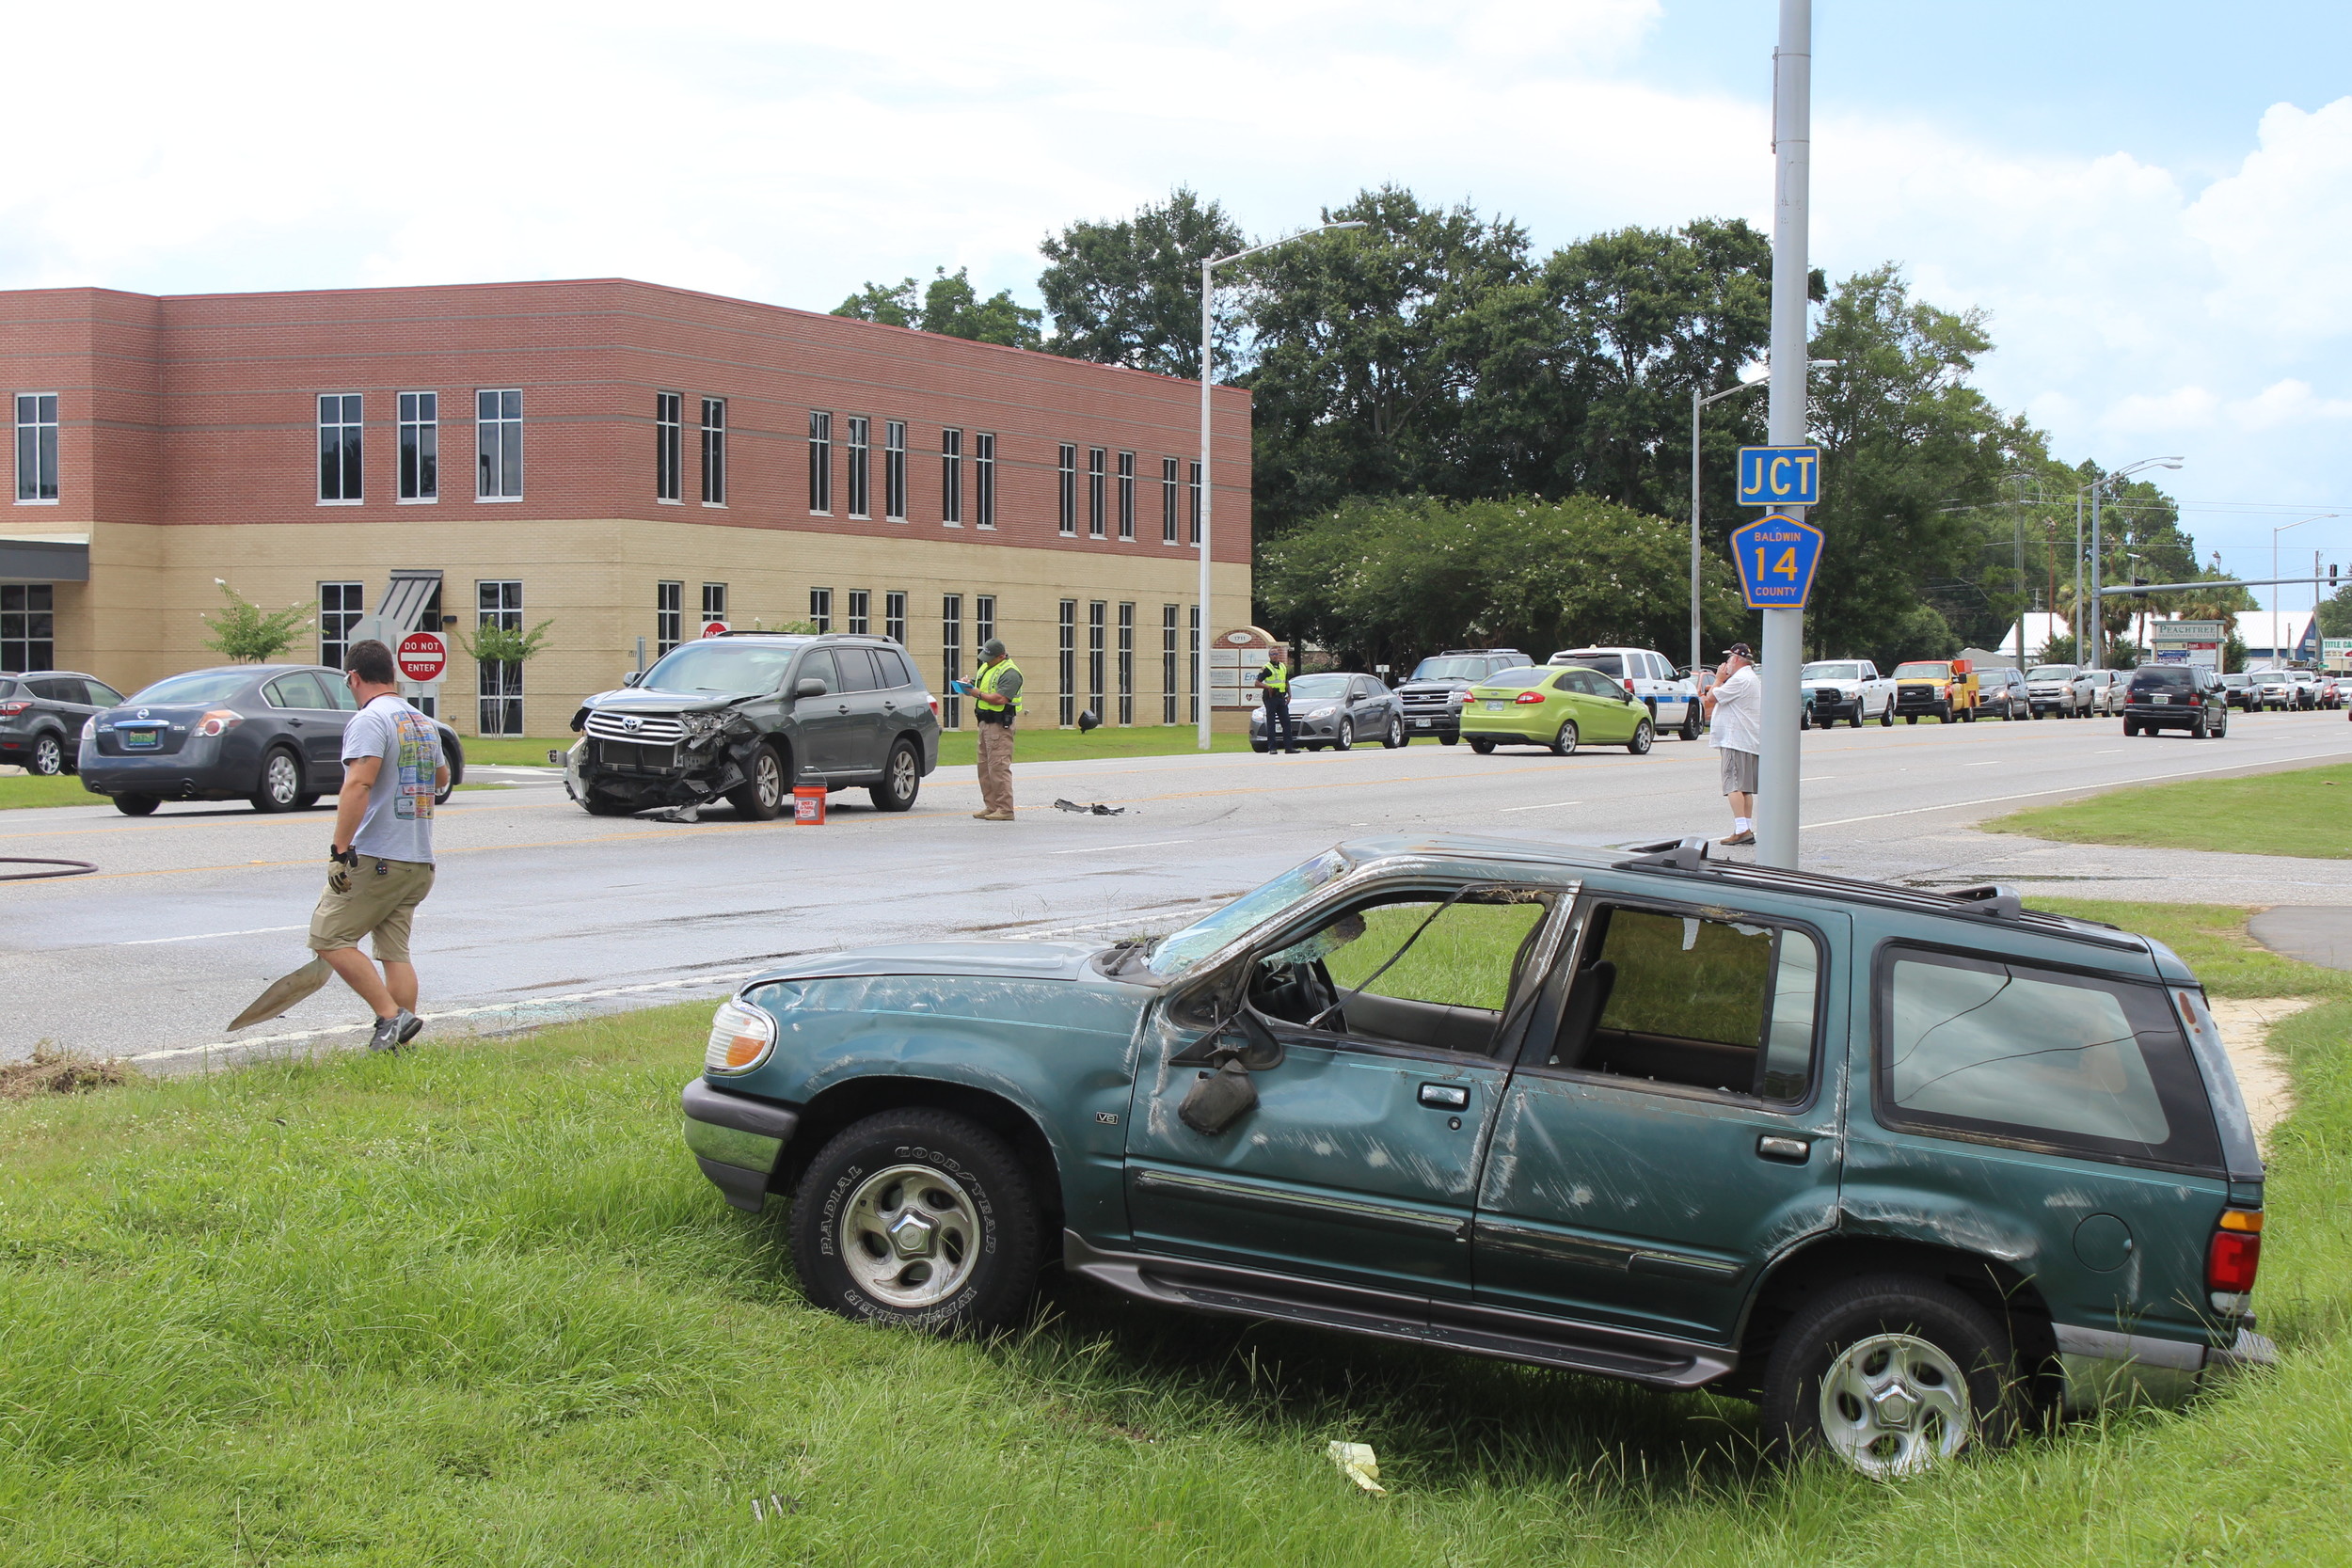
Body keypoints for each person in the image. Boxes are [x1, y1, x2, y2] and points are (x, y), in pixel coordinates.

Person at [310, 638, 448, 1051]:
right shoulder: (423, 722)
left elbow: (359, 783)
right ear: (392, 675)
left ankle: (390, 1019)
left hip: (379, 855)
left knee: (328, 936)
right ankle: (399, 1046)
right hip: (417, 859)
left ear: (353, 677)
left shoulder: (370, 719)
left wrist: (339, 851)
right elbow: (441, 780)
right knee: (394, 952)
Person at [1702, 641, 1761, 847]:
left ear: (1736, 659)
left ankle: (1741, 830)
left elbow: (1711, 697)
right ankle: (1745, 827)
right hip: (1748, 739)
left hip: (1735, 739)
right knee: (1745, 788)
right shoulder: (1751, 678)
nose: (1726, 663)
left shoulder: (1740, 679)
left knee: (1733, 785)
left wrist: (1718, 679)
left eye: (1728, 659)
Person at [962, 637, 1023, 821]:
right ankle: (991, 806)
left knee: (998, 767)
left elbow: (1000, 698)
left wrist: (977, 693)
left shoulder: (1010, 673)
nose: (985, 661)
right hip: (985, 723)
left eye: (989, 657)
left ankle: (1005, 809)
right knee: (984, 768)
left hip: (999, 725)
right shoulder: (989, 667)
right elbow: (981, 684)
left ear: (1001, 656)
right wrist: (968, 684)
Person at [1256, 644, 1297, 754]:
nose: (1275, 656)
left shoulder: (1283, 666)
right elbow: (1257, 683)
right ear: (1269, 656)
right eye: (1272, 654)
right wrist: (1268, 687)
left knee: (1286, 722)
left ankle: (1289, 747)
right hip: (1271, 697)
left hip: (1281, 697)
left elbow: (1286, 681)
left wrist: (1289, 694)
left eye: (1276, 654)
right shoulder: (1266, 668)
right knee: (1271, 722)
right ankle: (1272, 748)